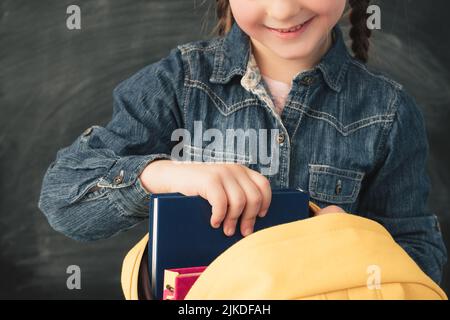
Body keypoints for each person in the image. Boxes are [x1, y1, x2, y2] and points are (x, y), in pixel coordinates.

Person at [38, 0, 447, 285]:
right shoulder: (177, 84)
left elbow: (420, 259)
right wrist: (164, 174)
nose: (284, 9)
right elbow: (62, 200)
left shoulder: (389, 111)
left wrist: (354, 245)